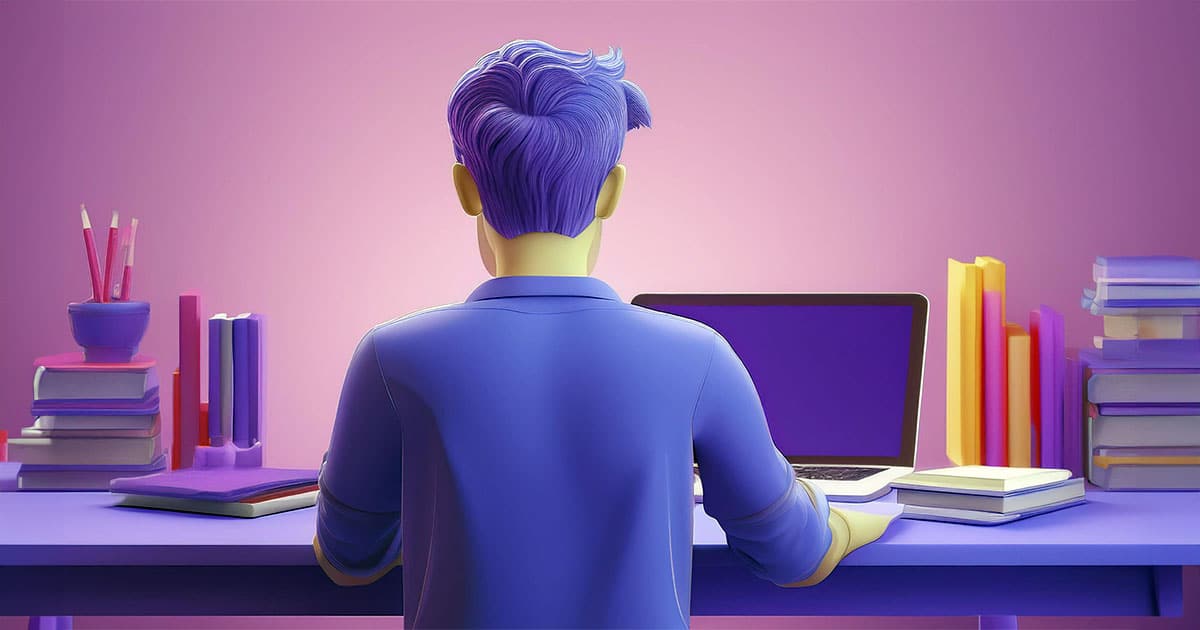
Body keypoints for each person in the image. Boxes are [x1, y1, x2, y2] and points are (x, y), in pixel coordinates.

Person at [314, 39, 894, 628]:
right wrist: (871, 516)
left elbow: (349, 558)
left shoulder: (390, 357)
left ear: (466, 188)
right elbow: (794, 552)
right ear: (613, 190)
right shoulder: (698, 357)